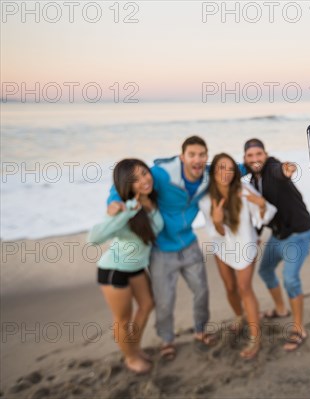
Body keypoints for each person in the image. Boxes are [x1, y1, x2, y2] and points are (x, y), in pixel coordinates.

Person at [107, 136, 218, 360]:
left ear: (206, 157)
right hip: (161, 251)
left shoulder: (207, 175)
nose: (197, 159)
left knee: (201, 291)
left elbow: (235, 167)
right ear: (182, 156)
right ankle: (167, 340)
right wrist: (113, 201)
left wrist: (269, 166)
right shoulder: (161, 174)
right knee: (165, 300)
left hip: (189, 245)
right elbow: (126, 181)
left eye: (202, 155)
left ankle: (200, 330)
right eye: (192, 154)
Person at [88, 159, 163, 374]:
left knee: (147, 304)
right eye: (135, 179)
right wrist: (127, 210)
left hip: (137, 268)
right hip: (114, 270)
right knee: (123, 318)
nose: (144, 180)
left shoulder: (154, 201)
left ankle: (134, 347)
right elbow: (93, 238)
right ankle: (130, 357)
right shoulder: (124, 208)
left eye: (145, 173)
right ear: (126, 185)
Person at [199, 153, 277, 360]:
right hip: (222, 246)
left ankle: (255, 338)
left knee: (244, 289)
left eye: (230, 169)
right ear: (213, 172)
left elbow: (264, 215)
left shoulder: (243, 190)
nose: (225, 173)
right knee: (230, 288)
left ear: (235, 172)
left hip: (245, 244)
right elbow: (217, 233)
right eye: (220, 169)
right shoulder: (207, 200)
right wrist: (216, 221)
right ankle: (239, 316)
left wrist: (260, 203)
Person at [243, 138, 310, 351]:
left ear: (266, 155)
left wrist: (287, 169)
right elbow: (260, 212)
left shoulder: (273, 169)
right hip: (278, 234)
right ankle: (281, 309)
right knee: (265, 271)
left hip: (298, 233)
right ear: (245, 159)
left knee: (290, 279)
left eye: (259, 154)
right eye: (250, 155)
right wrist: (255, 236)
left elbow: (280, 170)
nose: (255, 159)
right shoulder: (253, 182)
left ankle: (299, 328)